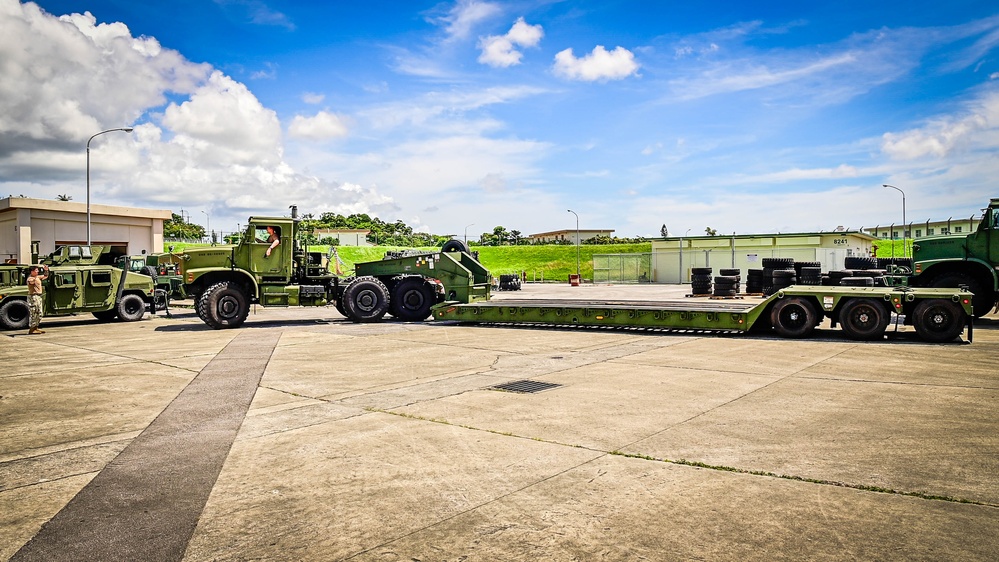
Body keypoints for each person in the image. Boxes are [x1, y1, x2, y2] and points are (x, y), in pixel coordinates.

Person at [26, 264, 47, 335]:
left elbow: (45, 276)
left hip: (38, 296)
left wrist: (46, 270)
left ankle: (36, 327)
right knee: (33, 312)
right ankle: (32, 329)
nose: (37, 272)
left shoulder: (37, 277)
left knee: (39, 312)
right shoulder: (30, 278)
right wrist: (35, 279)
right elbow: (30, 283)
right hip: (33, 297)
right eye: (36, 270)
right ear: (32, 271)